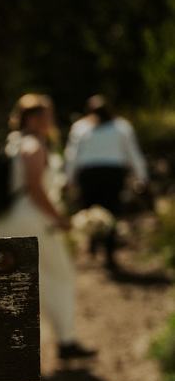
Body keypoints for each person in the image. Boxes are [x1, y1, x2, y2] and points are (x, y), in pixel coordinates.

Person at [0, 93, 95, 361]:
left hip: (8, 219)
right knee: (60, 275)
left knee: (19, 281)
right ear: (35, 118)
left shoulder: (13, 143)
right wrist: (59, 218)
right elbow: (35, 188)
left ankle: (10, 347)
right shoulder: (33, 145)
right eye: (47, 115)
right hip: (33, 218)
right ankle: (66, 340)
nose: (51, 121)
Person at [64, 95, 149, 270]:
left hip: (100, 175)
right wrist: (141, 177)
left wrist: (69, 178)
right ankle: (96, 247)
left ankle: (104, 251)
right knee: (98, 212)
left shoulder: (117, 127)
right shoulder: (88, 127)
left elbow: (71, 156)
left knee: (106, 212)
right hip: (105, 175)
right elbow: (133, 153)